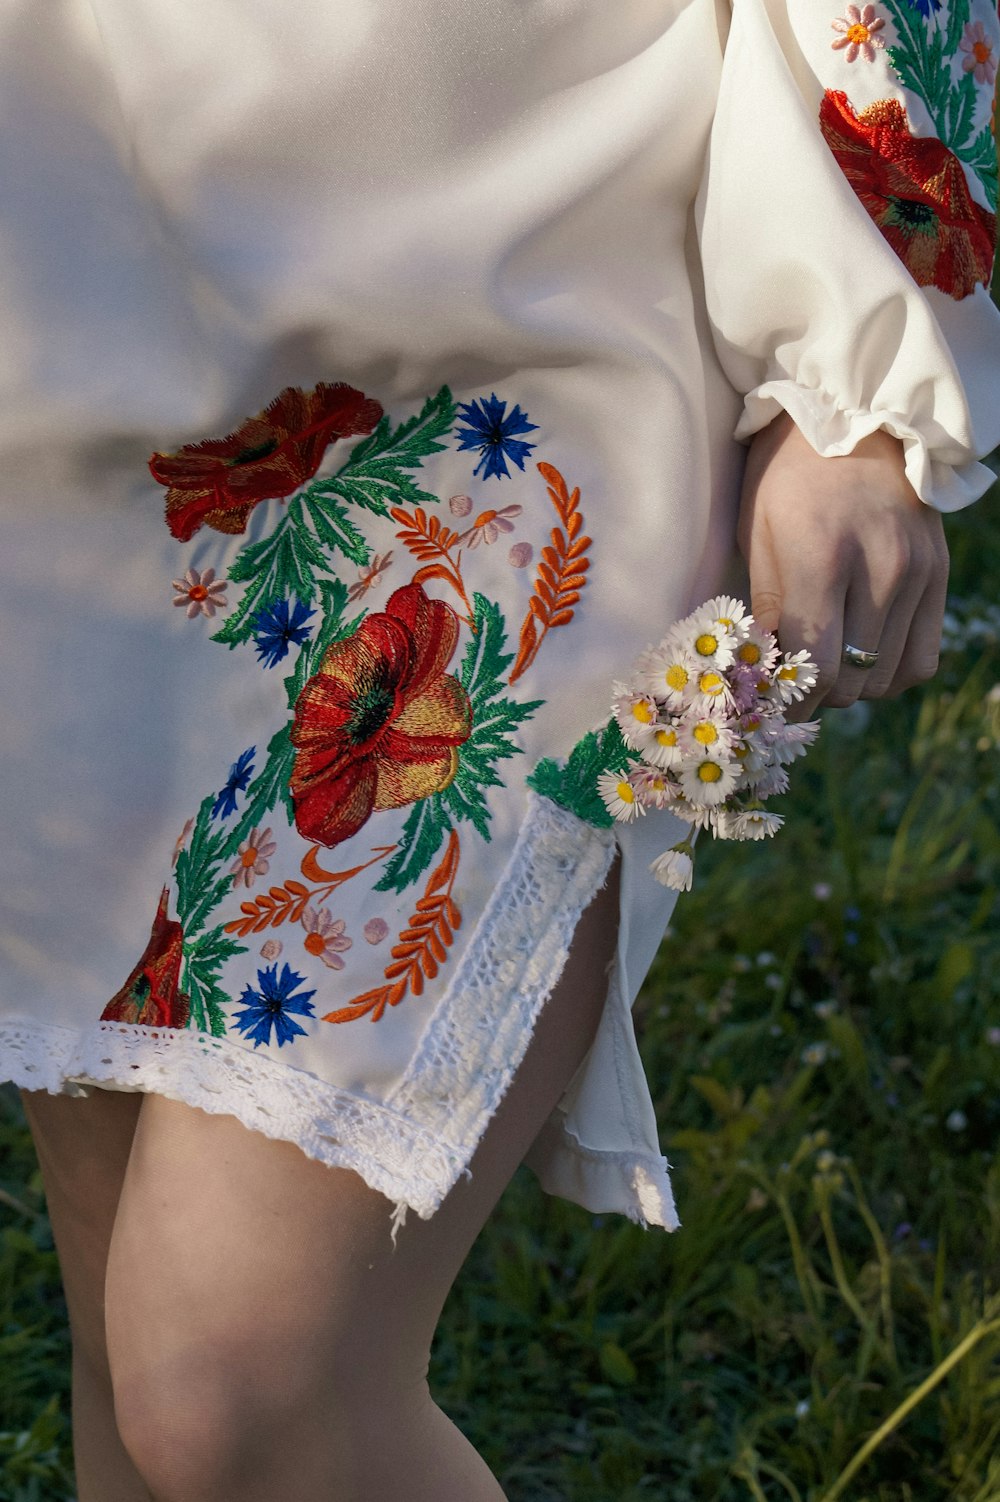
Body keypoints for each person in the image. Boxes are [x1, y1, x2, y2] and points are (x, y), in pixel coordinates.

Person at [2, 0, 998, 1497]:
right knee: (135, 1374)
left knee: (236, 1379)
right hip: (84, 267)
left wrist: (854, 390)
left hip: (546, 315)